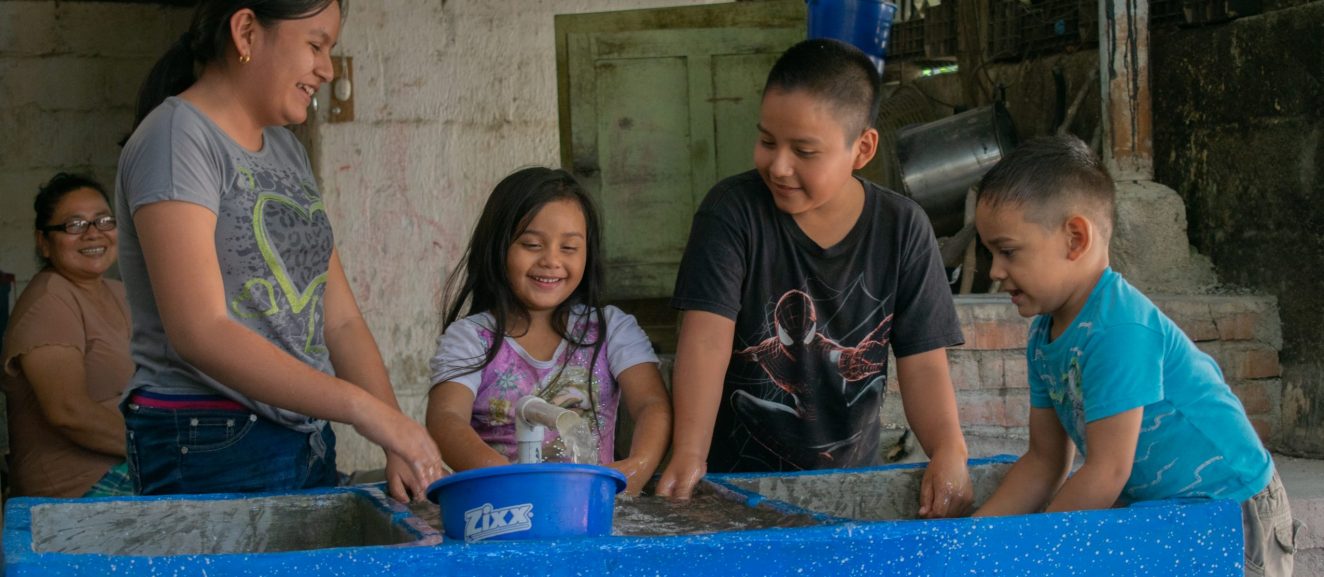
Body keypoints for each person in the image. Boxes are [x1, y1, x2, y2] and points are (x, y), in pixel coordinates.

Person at [115, 0, 443, 502]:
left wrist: (394, 433)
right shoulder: (178, 137)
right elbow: (200, 331)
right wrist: (363, 410)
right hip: (209, 437)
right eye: (315, 45)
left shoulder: (286, 149)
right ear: (246, 32)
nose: (327, 69)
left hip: (302, 435)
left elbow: (341, 321)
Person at [654, 39, 973, 519]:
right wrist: (689, 453)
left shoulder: (902, 228)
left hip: (848, 486)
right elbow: (705, 341)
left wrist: (949, 449)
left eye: (804, 151)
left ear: (862, 148)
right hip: (733, 486)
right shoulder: (732, 213)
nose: (779, 166)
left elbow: (924, 364)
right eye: (767, 142)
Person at [971, 135, 1299, 576]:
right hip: (1168, 513)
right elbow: (1044, 462)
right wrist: (969, 542)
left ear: (1075, 238)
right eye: (990, 252)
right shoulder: (1043, 337)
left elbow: (1107, 473)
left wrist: (1034, 557)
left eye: (1008, 251)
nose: (995, 271)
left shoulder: (1118, 329)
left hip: (1234, 514)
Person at [426, 167, 672, 496]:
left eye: (568, 248)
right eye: (532, 244)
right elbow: (446, 418)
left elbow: (651, 404)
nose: (551, 260)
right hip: (503, 508)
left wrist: (636, 467)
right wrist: (509, 481)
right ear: (498, 246)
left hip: (587, 507)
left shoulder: (611, 329)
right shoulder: (471, 339)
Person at [2, 173, 134, 498]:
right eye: (74, 225)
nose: (93, 233)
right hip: (79, 486)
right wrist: (157, 448)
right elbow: (69, 413)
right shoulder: (49, 301)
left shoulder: (119, 292)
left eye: (104, 220)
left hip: (126, 463)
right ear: (44, 242)